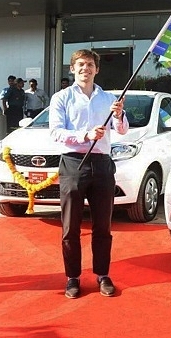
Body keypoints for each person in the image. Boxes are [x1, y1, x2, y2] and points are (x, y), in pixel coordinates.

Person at [49, 49, 128, 299]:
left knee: (103, 225)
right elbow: (56, 132)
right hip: (73, 164)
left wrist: (119, 115)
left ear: (97, 69)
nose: (86, 68)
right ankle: (72, 277)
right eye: (81, 64)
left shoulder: (109, 98)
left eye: (90, 64)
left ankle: (102, 274)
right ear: (72, 69)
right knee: (70, 226)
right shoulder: (61, 98)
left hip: (103, 164)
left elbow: (122, 130)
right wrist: (85, 135)